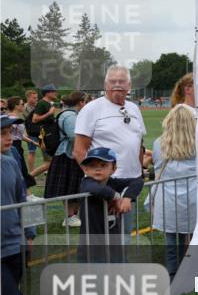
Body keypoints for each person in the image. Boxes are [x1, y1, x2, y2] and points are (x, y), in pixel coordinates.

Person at [74, 65, 146, 235]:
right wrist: (98, 183)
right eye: (113, 81)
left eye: (122, 81)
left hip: (129, 186)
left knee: (124, 237)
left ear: (129, 85)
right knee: (99, 241)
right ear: (105, 84)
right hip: (101, 188)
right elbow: (79, 151)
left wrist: (139, 173)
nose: (117, 85)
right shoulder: (91, 109)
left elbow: (138, 144)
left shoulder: (134, 109)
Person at [2, 114, 43, 295]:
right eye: (3, 133)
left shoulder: (11, 162)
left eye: (9, 132)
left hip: (14, 245)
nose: (9, 138)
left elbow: (23, 198)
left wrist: (30, 233)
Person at [149, 106, 197, 279]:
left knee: (171, 243)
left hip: (168, 199)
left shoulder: (159, 144)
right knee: (195, 241)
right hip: (195, 198)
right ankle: (192, 276)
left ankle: (172, 276)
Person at [78, 147, 144, 259]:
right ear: (86, 170)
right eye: (92, 166)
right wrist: (117, 197)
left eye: (103, 165)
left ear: (113, 169)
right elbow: (97, 189)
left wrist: (127, 198)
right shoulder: (87, 182)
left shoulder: (113, 182)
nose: (97, 169)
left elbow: (138, 181)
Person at [45, 92, 86, 227]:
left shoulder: (69, 114)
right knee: (70, 187)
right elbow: (75, 137)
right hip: (69, 155)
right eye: (84, 102)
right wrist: (80, 152)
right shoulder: (70, 116)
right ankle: (70, 217)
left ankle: (73, 215)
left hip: (69, 154)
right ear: (80, 102)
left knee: (74, 186)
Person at [29, 84, 61, 178]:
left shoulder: (48, 103)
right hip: (45, 136)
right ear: (47, 93)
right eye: (53, 91)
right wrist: (49, 113)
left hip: (49, 135)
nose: (56, 93)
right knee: (49, 162)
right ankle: (28, 178)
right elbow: (34, 119)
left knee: (51, 161)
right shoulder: (42, 103)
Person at [22, 90, 39, 172]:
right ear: (28, 98)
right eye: (34, 98)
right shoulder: (25, 107)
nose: (36, 99)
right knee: (32, 152)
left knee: (46, 150)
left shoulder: (38, 105)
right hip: (31, 132)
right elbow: (32, 119)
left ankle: (45, 169)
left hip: (40, 131)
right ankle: (32, 172)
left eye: (37, 97)